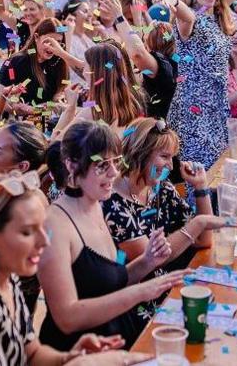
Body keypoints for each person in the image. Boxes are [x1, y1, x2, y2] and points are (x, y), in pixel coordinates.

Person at [0, 172, 141, 365]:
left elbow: (31, 354)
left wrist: (70, 357)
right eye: (27, 232)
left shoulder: (8, 282)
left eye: (42, 227)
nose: (44, 241)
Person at [38, 121, 188, 350]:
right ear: (71, 165)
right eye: (102, 165)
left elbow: (111, 283)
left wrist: (147, 261)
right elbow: (67, 319)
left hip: (114, 338)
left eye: (115, 162)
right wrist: (139, 293)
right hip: (81, 352)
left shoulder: (96, 205)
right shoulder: (55, 226)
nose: (114, 172)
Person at [103, 117, 225, 270]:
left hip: (169, 284)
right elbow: (151, 261)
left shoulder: (161, 189)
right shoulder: (112, 202)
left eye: (172, 157)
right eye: (164, 156)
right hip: (143, 291)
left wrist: (200, 187)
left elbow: (204, 239)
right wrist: (198, 223)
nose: (171, 166)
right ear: (140, 153)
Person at [153, 0, 233, 172]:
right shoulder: (189, 21)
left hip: (216, 113)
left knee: (217, 177)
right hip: (193, 118)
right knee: (199, 182)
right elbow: (187, 18)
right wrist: (176, 2)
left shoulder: (217, 18)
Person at [0, 18, 70, 110]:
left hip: (52, 119)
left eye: (58, 43)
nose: (53, 47)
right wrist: (18, 107)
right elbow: (4, 103)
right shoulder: (15, 62)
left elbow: (59, 93)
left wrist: (58, 101)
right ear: (36, 37)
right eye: (48, 41)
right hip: (22, 121)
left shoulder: (59, 61)